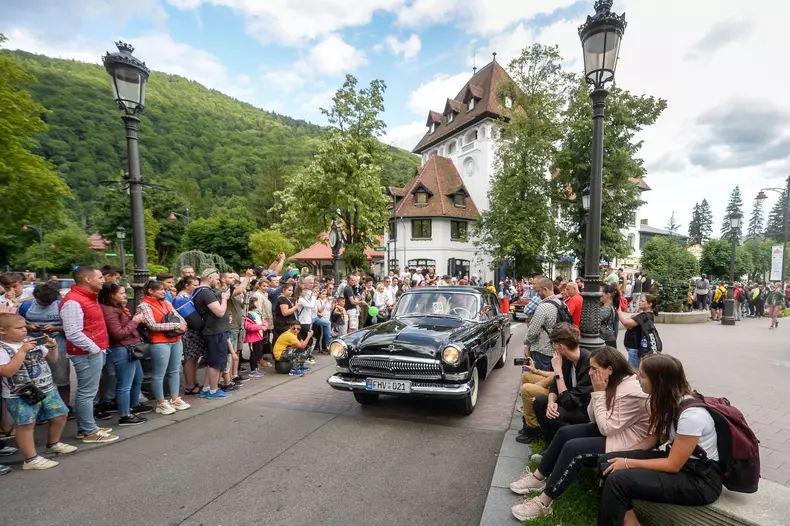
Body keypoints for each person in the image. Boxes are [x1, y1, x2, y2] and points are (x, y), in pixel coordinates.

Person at [509, 346, 650, 521]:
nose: (590, 373)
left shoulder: (631, 391)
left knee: (574, 448)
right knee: (565, 433)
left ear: (610, 370)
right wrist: (598, 392)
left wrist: (598, 393)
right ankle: (539, 477)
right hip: (614, 431)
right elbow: (595, 418)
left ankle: (544, 502)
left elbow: (606, 427)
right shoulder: (613, 382)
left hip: (627, 441)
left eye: (594, 369)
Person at [597, 354, 722, 526]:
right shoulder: (666, 401)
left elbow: (672, 464)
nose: (636, 377)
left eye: (642, 375)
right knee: (607, 461)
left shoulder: (691, 416)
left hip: (699, 480)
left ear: (659, 381)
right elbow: (654, 439)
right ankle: (632, 522)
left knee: (618, 481)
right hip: (681, 466)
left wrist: (627, 462)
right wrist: (623, 455)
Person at [0, 313, 77, 471]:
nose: (24, 330)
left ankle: (53, 443)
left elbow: (52, 359)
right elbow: (7, 372)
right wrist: (22, 351)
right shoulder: (3, 349)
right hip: (21, 393)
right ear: (3, 331)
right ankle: (31, 458)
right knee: (26, 424)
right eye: (19, 328)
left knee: (60, 414)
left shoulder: (30, 341)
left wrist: (52, 347)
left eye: (24, 327)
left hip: (46, 387)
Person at [60, 266, 119, 444]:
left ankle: (86, 427)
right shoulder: (74, 301)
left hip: (91, 351)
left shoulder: (85, 298)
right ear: (87, 279)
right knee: (87, 393)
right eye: (100, 277)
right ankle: (89, 431)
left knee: (89, 392)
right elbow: (73, 333)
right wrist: (95, 349)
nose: (103, 280)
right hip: (86, 354)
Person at [99, 282, 152, 426]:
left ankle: (133, 406)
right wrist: (134, 321)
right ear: (111, 295)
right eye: (121, 293)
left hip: (130, 347)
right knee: (125, 384)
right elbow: (118, 334)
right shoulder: (109, 310)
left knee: (137, 379)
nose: (124, 296)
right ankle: (124, 415)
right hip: (122, 349)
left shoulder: (116, 307)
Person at [532, 323, 593, 443]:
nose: (553, 348)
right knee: (539, 402)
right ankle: (549, 444)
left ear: (561, 347)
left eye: (553, 344)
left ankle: (560, 446)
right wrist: (550, 403)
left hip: (583, 409)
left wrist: (558, 371)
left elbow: (569, 403)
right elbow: (554, 386)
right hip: (568, 398)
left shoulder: (588, 363)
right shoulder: (565, 359)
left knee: (557, 414)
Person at [19, 282, 71, 417]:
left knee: (62, 377)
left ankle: (65, 407)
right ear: (35, 297)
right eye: (42, 302)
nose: (45, 304)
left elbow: (72, 327)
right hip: (33, 344)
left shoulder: (61, 306)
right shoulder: (26, 307)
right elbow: (17, 323)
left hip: (57, 342)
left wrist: (56, 328)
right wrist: (28, 326)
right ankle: (38, 409)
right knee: (33, 378)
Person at [137, 280, 189, 415]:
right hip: (159, 342)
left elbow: (179, 318)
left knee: (174, 370)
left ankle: (174, 398)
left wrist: (181, 325)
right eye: (160, 289)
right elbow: (152, 325)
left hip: (176, 339)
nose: (163, 292)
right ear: (150, 291)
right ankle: (160, 402)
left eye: (163, 290)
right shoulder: (144, 305)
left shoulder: (167, 302)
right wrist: (176, 326)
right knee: (159, 374)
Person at [192, 268, 232, 400]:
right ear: (209, 278)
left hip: (211, 331)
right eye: (216, 278)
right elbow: (219, 312)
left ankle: (207, 388)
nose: (218, 281)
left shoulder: (199, 291)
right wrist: (224, 299)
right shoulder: (206, 293)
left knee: (212, 362)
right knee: (216, 362)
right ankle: (213, 391)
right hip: (215, 332)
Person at [524, 278, 564, 372]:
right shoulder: (562, 304)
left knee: (538, 378)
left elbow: (533, 332)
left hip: (542, 351)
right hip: (557, 351)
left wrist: (526, 343)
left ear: (545, 289)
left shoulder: (543, 307)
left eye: (538, 291)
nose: (537, 293)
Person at [618, 294, 658, 369]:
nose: (640, 302)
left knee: (634, 370)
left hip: (635, 347)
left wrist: (619, 311)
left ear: (650, 304)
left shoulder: (645, 316)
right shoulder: (647, 315)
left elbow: (626, 323)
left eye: (642, 301)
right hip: (634, 347)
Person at [244, 296, 268, 378]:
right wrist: (261, 327)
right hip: (253, 338)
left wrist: (265, 324)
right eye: (256, 302)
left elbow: (263, 321)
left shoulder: (258, 313)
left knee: (258, 353)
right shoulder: (248, 314)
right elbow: (248, 326)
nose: (258, 304)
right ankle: (253, 370)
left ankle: (256, 368)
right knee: (254, 354)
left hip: (259, 336)